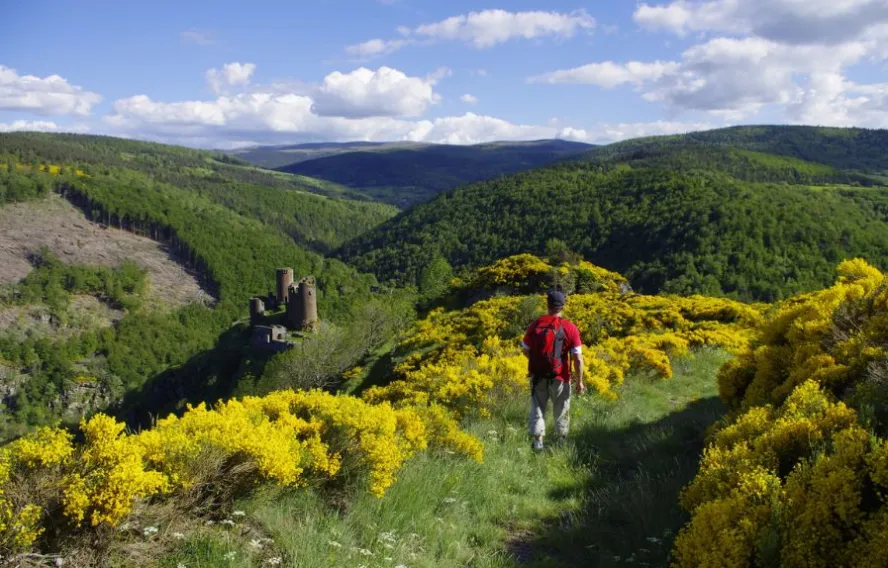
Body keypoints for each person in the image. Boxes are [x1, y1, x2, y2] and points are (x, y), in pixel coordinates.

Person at [521, 290, 585, 451]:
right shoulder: (570, 327)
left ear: (548, 305)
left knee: (538, 408)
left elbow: (525, 348)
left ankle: (538, 443)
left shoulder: (536, 324)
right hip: (561, 377)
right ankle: (561, 443)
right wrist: (580, 382)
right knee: (561, 410)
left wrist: (535, 362)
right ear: (563, 306)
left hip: (538, 376)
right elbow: (577, 358)